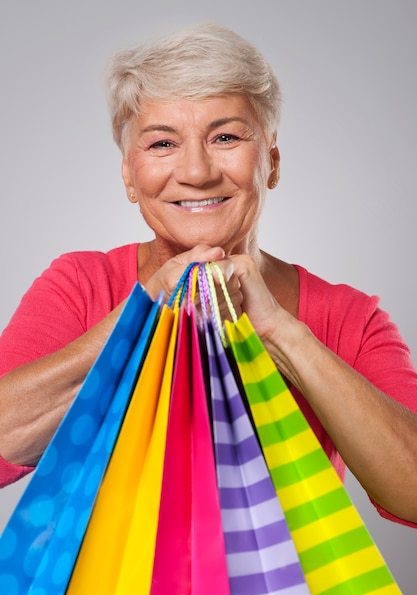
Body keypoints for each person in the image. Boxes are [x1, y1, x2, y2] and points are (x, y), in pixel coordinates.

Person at [0, 22, 417, 528]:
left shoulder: (348, 317)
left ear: (273, 162)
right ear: (130, 176)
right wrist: (139, 314)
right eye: (161, 144)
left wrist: (283, 333)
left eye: (225, 136)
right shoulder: (81, 284)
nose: (197, 171)